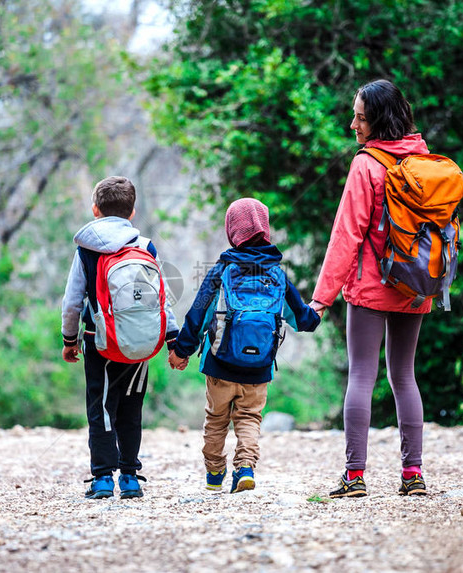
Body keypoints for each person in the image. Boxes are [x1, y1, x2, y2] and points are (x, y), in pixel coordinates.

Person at [309, 79, 431, 498]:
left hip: (370, 287)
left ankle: (355, 476)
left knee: (362, 374)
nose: (352, 124)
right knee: (404, 375)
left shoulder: (367, 165)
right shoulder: (422, 158)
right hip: (415, 285)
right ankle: (413, 474)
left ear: (377, 119)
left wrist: (320, 299)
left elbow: (346, 235)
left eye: (360, 117)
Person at [169, 198, 321, 493]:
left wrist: (180, 351)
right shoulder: (277, 275)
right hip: (259, 369)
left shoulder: (221, 271)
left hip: (219, 365)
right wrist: (318, 310)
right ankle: (245, 468)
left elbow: (197, 315)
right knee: (249, 418)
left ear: (232, 231)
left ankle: (214, 474)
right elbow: (303, 319)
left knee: (216, 420)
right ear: (265, 229)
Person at [61, 176, 180, 500]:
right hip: (137, 341)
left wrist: (69, 340)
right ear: (132, 212)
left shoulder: (86, 249)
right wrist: (172, 340)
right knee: (130, 408)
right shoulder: (145, 246)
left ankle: (101, 478)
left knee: (100, 406)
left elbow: (73, 301)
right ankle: (129, 477)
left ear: (95, 210)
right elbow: (161, 298)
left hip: (98, 340)